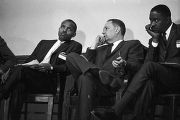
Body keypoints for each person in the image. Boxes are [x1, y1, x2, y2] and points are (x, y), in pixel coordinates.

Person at [92, 4, 180, 120]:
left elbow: (150, 66)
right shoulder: (155, 38)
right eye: (151, 20)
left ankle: (116, 110)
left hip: (176, 76)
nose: (152, 24)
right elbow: (148, 63)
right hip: (162, 79)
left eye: (156, 20)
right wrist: (154, 40)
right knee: (149, 83)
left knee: (149, 69)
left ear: (168, 19)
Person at [0, 19, 82, 120]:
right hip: (31, 78)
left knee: (20, 70)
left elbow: (68, 67)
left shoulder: (75, 46)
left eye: (69, 29)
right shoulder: (44, 43)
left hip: (49, 81)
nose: (64, 30)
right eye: (62, 27)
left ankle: (2, 92)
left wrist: (51, 67)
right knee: (18, 85)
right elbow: (29, 61)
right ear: (59, 28)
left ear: (73, 34)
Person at [64, 19, 144, 120]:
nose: (103, 32)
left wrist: (124, 63)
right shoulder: (100, 49)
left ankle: (98, 73)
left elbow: (137, 66)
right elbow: (84, 63)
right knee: (72, 57)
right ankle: (96, 71)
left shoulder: (132, 44)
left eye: (106, 28)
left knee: (84, 77)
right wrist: (94, 45)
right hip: (96, 83)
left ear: (117, 29)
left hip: (114, 85)